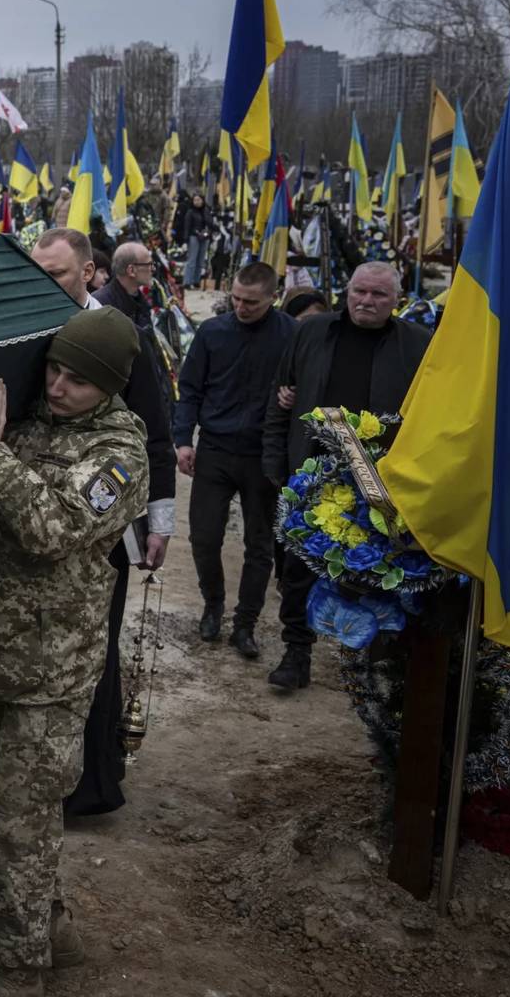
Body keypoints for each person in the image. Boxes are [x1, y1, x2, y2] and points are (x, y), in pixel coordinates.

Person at [0, 309, 149, 994]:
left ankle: (20, 968)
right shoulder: (25, 414)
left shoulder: (120, 454)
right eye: (55, 370)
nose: (59, 387)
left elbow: (50, 526)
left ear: (111, 387)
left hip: (50, 671)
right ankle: (48, 924)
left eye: (78, 380)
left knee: (20, 820)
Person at [261, 262, 429, 691]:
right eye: (359, 292)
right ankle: (296, 652)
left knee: (374, 571)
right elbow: (281, 397)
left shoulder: (418, 345)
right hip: (311, 474)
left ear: (396, 301)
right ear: (346, 292)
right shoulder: (313, 331)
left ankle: (376, 665)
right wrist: (275, 462)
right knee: (299, 569)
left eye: (377, 295)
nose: (366, 302)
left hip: (381, 480)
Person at [70, 240, 175, 817]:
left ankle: (94, 782)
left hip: (108, 527)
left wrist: (160, 522)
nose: (47, 281)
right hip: (35, 529)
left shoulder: (121, 333)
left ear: (88, 271)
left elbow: (155, 429)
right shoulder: (21, 326)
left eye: (58, 272)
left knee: (96, 651)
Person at [174, 262, 294, 654]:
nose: (241, 307)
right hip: (215, 448)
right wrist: (183, 440)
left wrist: (293, 397)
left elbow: (309, 385)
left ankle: (246, 623)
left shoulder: (290, 335)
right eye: (237, 298)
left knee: (259, 544)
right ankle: (213, 605)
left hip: (264, 454)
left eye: (252, 303)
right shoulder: (212, 332)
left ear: (272, 298)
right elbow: (189, 389)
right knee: (204, 536)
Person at [30, 229, 99, 311]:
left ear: (87, 272)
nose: (41, 285)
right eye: (35, 274)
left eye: (55, 274)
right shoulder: (19, 317)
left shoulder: (106, 322)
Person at [174, 193, 215, 289]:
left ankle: (196, 280)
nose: (197, 202)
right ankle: (187, 281)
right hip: (194, 236)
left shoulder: (206, 211)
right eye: (195, 200)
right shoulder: (190, 212)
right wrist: (185, 240)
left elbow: (210, 223)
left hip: (204, 237)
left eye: (199, 200)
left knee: (200, 260)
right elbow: (187, 226)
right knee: (192, 260)